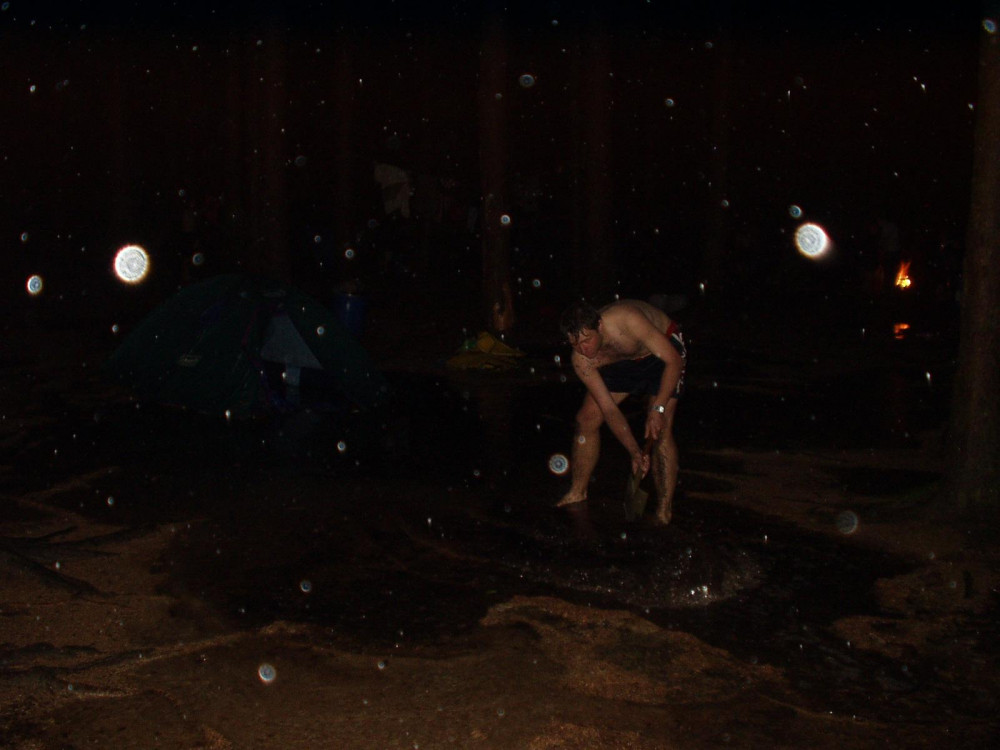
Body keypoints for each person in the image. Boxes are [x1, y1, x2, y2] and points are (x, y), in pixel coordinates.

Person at [557, 298, 687, 524]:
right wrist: (634, 451)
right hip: (624, 363)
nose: (583, 349)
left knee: (660, 428)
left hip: (662, 354)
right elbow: (609, 409)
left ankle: (664, 509)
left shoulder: (628, 320)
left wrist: (658, 407)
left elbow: (674, 362)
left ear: (599, 326)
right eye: (575, 344)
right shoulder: (581, 360)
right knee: (587, 418)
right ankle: (578, 491)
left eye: (587, 340)